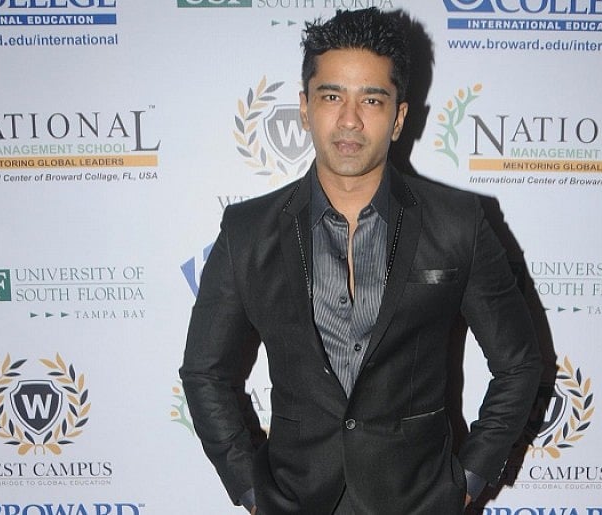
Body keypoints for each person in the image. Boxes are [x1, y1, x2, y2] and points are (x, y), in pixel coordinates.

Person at [180, 8, 542, 515]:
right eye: (332, 97)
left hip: (419, 502)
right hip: (294, 501)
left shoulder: (458, 223)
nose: (350, 120)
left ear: (398, 117)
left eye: (371, 100)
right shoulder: (248, 231)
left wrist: (468, 479)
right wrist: (251, 490)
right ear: (304, 108)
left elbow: (519, 364)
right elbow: (205, 373)